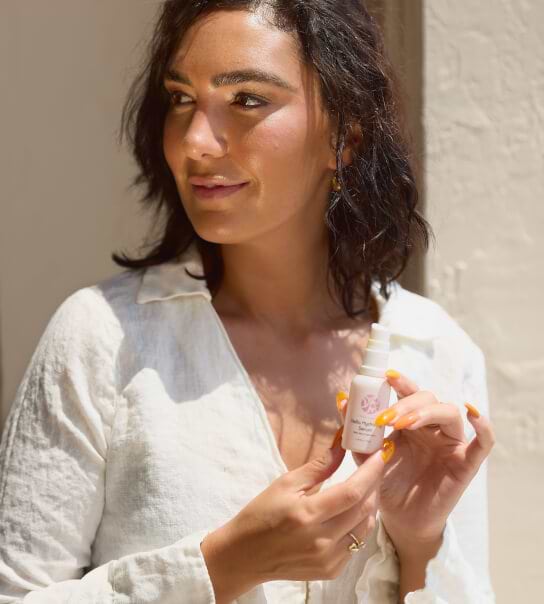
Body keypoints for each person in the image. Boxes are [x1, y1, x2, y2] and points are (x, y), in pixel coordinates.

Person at [0, 1, 496, 602]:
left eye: (247, 100)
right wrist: (222, 565)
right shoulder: (104, 337)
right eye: (181, 98)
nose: (194, 142)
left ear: (344, 137)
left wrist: (419, 542)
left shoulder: (437, 351)